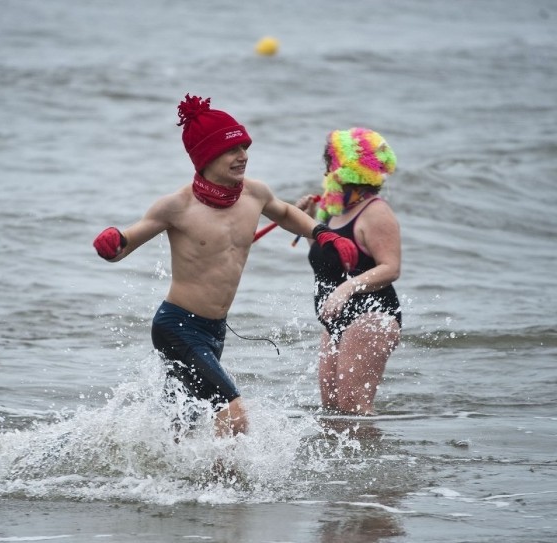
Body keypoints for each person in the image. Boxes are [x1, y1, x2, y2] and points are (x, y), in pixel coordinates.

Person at [93, 95, 358, 436]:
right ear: (206, 156)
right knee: (233, 414)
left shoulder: (254, 193)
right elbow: (125, 244)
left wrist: (323, 233)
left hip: (215, 329)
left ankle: (165, 477)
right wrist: (112, 244)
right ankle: (227, 486)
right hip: (177, 327)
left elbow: (286, 213)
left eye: (245, 148)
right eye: (232, 150)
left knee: (184, 425)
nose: (243, 156)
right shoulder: (177, 206)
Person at [295, 127, 402, 416]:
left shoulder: (376, 212)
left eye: (331, 162)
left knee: (354, 409)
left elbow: (391, 268)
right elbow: (326, 256)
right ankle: (341, 465)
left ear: (350, 167)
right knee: (332, 410)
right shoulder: (332, 210)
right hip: (336, 319)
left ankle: (378, 461)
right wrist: (304, 219)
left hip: (372, 315)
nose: (327, 169)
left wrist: (346, 289)